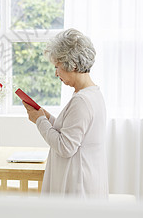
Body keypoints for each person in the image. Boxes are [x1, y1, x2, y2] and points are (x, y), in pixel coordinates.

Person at [22, 28, 108, 198]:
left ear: (72, 64)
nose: (56, 73)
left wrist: (40, 121)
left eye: (57, 67)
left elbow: (65, 147)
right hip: (86, 180)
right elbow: (72, 133)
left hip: (78, 186)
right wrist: (47, 118)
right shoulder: (91, 94)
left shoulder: (82, 101)